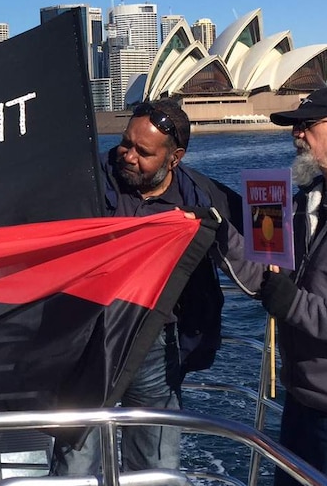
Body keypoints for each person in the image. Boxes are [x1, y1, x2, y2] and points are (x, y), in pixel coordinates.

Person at [51, 98, 264, 476]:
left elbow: (254, 252)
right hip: (87, 344)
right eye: (125, 143)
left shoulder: (203, 197)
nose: (127, 155)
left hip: (157, 348)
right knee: (74, 465)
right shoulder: (86, 180)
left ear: (174, 158)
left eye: (142, 151)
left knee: (155, 467)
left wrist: (278, 286)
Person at [261, 87, 327, 484]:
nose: (296, 136)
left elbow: (295, 300)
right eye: (295, 128)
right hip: (301, 399)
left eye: (306, 126)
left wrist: (291, 304)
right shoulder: (310, 203)